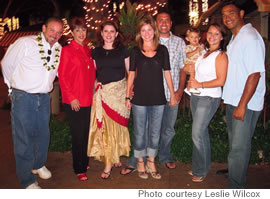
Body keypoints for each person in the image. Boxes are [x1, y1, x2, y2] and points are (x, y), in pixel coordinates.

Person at [121, 10, 186, 175]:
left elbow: (168, 73)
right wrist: (128, 96)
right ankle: (140, 162)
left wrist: (172, 93)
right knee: (140, 132)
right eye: (143, 30)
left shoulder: (162, 50)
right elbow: (131, 75)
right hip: (139, 99)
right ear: (140, 33)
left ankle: (151, 161)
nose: (147, 33)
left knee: (155, 133)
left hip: (158, 99)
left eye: (149, 30)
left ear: (154, 31)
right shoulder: (135, 51)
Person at [1, 17, 63, 189]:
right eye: (52, 30)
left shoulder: (58, 49)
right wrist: (11, 88)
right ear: (44, 28)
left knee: (43, 134)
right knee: (23, 139)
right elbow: (6, 64)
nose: (55, 35)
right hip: (24, 97)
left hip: (43, 98)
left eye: (59, 32)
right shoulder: (25, 43)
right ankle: (26, 180)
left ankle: (38, 164)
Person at [221, 3, 265, 188]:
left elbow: (255, 74)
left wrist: (242, 105)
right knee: (235, 145)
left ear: (241, 14)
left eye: (231, 13)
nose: (227, 17)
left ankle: (236, 187)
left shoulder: (251, 37)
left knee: (239, 148)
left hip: (245, 104)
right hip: (234, 100)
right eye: (224, 15)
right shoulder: (235, 38)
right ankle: (235, 172)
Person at [184, 23, 228, 183]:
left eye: (217, 34)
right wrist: (189, 73)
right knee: (201, 133)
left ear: (222, 37)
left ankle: (200, 170)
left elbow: (221, 80)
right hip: (196, 95)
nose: (212, 36)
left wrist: (200, 85)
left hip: (209, 97)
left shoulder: (221, 55)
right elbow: (191, 69)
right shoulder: (204, 53)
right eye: (210, 32)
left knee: (196, 133)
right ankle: (202, 166)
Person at [87, 20, 130, 179]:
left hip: (119, 95)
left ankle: (114, 156)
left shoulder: (123, 51)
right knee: (106, 129)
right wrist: (92, 94)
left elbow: (130, 73)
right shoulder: (96, 52)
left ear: (117, 34)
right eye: (106, 31)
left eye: (112, 31)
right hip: (102, 94)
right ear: (102, 33)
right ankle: (109, 162)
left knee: (117, 127)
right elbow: (93, 75)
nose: (109, 34)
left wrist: (129, 95)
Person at [58, 17, 95, 181]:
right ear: (72, 32)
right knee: (78, 135)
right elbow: (63, 76)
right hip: (75, 100)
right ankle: (78, 167)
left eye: (83, 30)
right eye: (78, 30)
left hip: (88, 99)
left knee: (86, 133)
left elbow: (91, 74)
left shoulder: (88, 50)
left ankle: (84, 160)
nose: (81, 33)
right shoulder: (67, 50)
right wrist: (71, 97)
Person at [184, 28, 204, 95]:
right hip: (191, 63)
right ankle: (192, 87)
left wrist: (202, 49)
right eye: (191, 37)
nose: (194, 39)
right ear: (187, 39)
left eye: (196, 37)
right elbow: (188, 55)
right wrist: (196, 50)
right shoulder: (188, 47)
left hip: (198, 64)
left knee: (195, 76)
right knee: (192, 75)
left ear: (199, 38)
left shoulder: (200, 46)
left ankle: (188, 87)